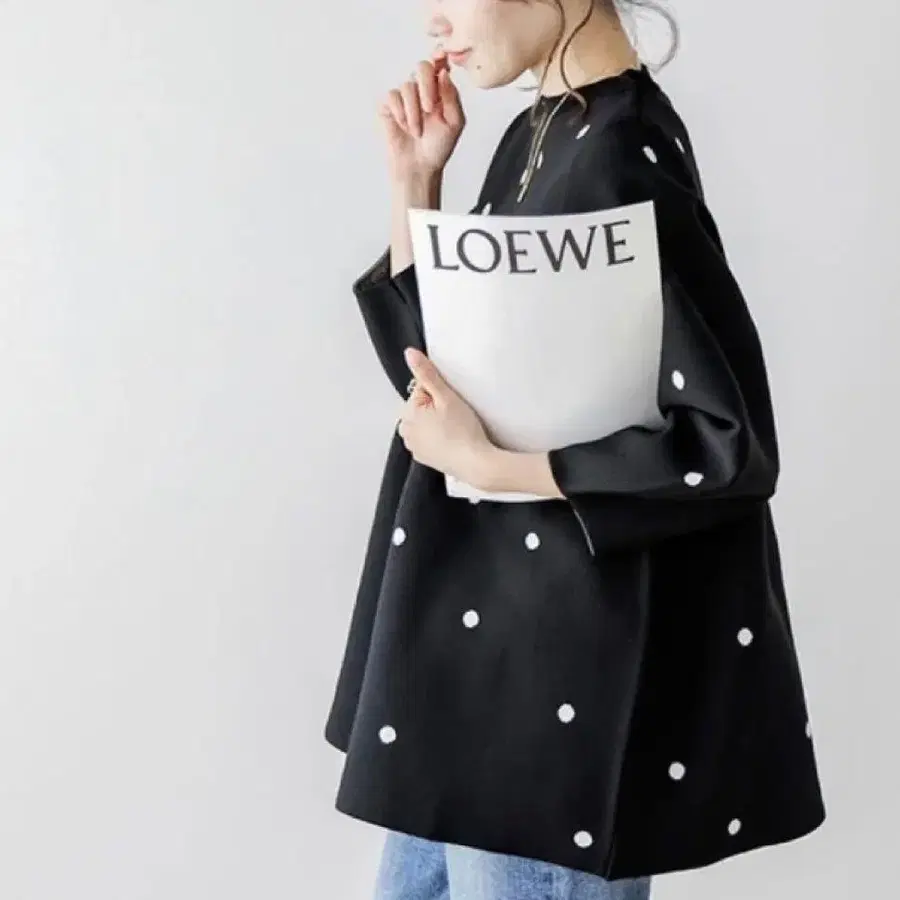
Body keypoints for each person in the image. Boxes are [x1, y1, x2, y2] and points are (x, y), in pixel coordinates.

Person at [324, 1, 827, 898]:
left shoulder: (622, 152)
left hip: (552, 693)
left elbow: (726, 441)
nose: (433, 18)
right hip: (481, 666)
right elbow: (440, 379)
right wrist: (415, 183)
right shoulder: (544, 131)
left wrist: (492, 467)